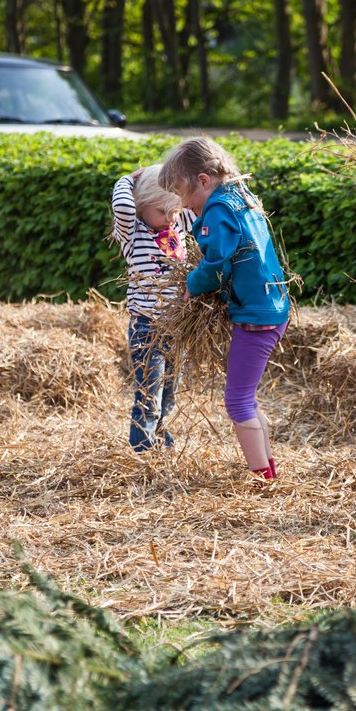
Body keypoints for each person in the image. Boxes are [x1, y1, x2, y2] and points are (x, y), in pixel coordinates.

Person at [159, 137, 291, 481]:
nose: (185, 206)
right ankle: (267, 468)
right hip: (270, 305)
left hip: (255, 315)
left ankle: (262, 478)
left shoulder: (218, 209)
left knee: (237, 401)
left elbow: (218, 265)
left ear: (204, 180)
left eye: (184, 195)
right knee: (246, 397)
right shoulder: (240, 195)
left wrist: (193, 284)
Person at [111, 164, 197, 453]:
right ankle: (143, 450)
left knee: (169, 394)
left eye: (173, 210)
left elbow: (197, 202)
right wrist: (128, 179)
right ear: (141, 206)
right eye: (162, 211)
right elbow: (122, 206)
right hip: (147, 326)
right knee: (149, 392)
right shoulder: (132, 233)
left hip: (177, 324)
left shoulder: (179, 224)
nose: (169, 218)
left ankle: (160, 437)